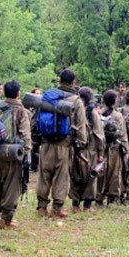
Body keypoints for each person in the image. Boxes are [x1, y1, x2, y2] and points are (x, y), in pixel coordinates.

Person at [35, 69, 87, 218]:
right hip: (64, 144)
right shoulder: (76, 100)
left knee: (44, 175)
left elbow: (36, 119)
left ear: (60, 80)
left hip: (45, 142)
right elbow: (81, 125)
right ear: (73, 82)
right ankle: (57, 208)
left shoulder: (48, 96)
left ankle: (42, 207)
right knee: (61, 176)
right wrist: (81, 144)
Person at [0, 80, 31, 228]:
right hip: (12, 152)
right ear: (18, 93)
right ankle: (6, 219)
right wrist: (27, 152)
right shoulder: (21, 110)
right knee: (12, 186)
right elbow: (25, 134)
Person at [69, 87, 104, 212]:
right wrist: (101, 152)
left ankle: (75, 205)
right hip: (90, 150)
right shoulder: (92, 112)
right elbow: (99, 134)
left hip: (76, 148)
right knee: (91, 178)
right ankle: (87, 207)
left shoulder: (74, 109)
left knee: (76, 177)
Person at [97, 90, 129, 205]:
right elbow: (123, 134)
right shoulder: (118, 115)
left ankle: (99, 196)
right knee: (115, 172)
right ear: (114, 101)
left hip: (101, 148)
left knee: (100, 172)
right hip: (115, 149)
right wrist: (126, 150)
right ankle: (112, 196)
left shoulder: (99, 113)